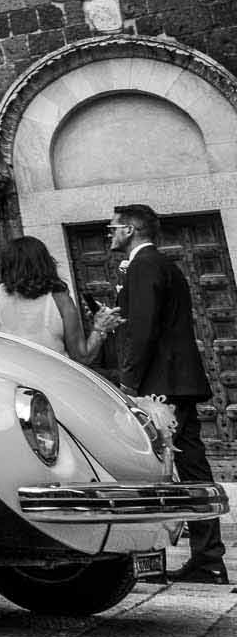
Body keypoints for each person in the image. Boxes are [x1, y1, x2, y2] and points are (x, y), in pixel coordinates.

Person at [112, 204, 225, 584]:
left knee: (155, 468)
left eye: (113, 228)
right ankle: (208, 557)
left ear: (130, 230)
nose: (109, 234)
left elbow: (142, 330)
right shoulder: (163, 265)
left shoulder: (144, 266)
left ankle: (166, 559)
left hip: (160, 387)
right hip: (177, 380)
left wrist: (128, 381)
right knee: (192, 466)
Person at [0, 236, 120, 363]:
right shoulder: (60, 299)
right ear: (45, 263)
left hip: (9, 384)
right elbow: (82, 356)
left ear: (6, 265)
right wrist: (100, 328)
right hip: (54, 383)